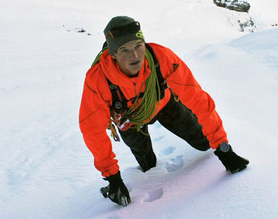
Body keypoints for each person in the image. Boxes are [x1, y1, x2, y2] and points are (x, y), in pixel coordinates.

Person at [79, 16, 249, 206]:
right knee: (148, 166)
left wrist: (223, 148)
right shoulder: (98, 80)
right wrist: (113, 178)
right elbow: (92, 130)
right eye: (124, 50)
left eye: (138, 45)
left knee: (203, 143)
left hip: (165, 105)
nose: (135, 56)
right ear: (113, 55)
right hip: (131, 121)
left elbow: (198, 99)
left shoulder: (161, 57)